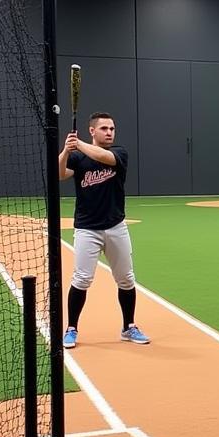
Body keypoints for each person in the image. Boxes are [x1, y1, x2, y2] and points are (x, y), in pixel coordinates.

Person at [58, 112, 150, 348]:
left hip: (116, 227)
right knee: (82, 278)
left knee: (126, 279)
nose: (109, 132)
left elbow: (104, 157)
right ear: (92, 131)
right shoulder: (78, 157)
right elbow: (60, 174)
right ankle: (71, 329)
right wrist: (67, 151)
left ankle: (129, 327)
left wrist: (78, 144)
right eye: (104, 129)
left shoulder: (119, 153)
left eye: (112, 128)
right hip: (87, 229)